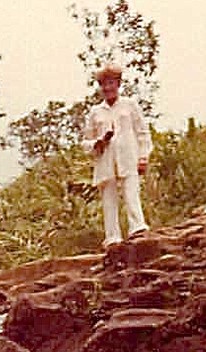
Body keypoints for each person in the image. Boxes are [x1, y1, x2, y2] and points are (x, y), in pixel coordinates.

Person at [82, 64, 152, 249]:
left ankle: (137, 227)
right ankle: (112, 236)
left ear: (118, 84)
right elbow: (85, 142)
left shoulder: (130, 105)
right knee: (109, 198)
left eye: (111, 83)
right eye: (104, 84)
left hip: (128, 156)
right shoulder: (95, 112)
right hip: (105, 159)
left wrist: (143, 156)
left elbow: (142, 132)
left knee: (131, 192)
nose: (107, 88)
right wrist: (98, 142)